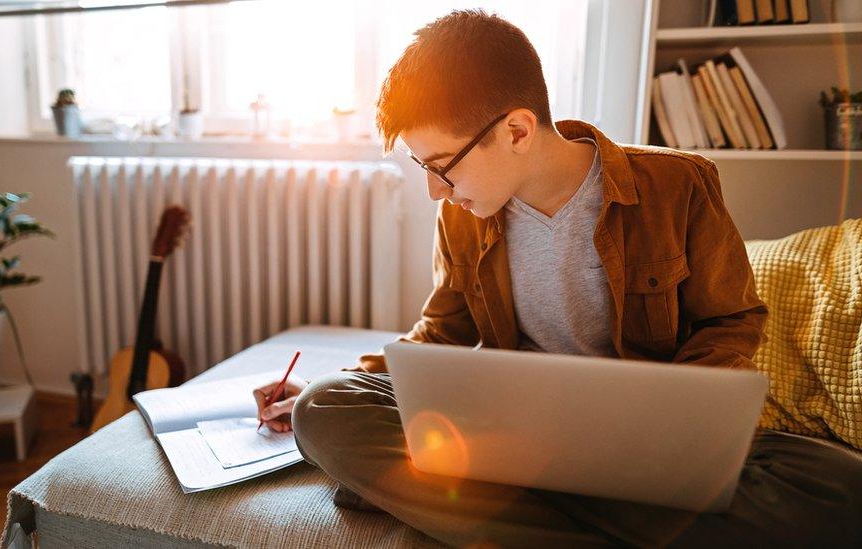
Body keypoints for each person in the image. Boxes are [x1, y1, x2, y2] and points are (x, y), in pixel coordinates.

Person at [252, 9, 862, 547]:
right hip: (514, 433)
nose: (434, 190)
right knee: (325, 407)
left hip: (645, 438)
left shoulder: (678, 185)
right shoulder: (463, 218)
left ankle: (468, 505)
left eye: (442, 167)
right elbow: (440, 339)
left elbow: (732, 320)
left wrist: (676, 427)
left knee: (840, 489)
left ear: (517, 130)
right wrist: (335, 381)